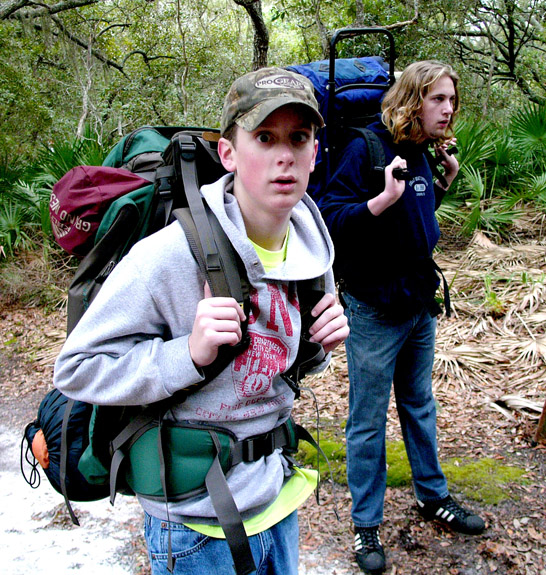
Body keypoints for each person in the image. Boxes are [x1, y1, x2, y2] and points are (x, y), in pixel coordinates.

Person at [54, 67, 349, 575]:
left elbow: (273, 363)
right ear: (229, 154)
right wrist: (185, 353)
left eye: (299, 138)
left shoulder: (309, 246)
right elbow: (77, 370)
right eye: (264, 137)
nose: (285, 155)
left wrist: (317, 347)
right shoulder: (168, 255)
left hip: (278, 502)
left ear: (314, 152)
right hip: (193, 524)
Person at [317, 60, 485, 574]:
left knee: (418, 405)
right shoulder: (364, 147)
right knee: (367, 422)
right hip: (374, 308)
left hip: (418, 302)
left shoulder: (422, 152)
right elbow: (329, 218)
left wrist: (442, 185)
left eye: (452, 100)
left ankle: (431, 496)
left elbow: (413, 217)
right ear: (414, 99)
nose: (449, 109)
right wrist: (381, 198)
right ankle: (366, 524)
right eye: (439, 99)